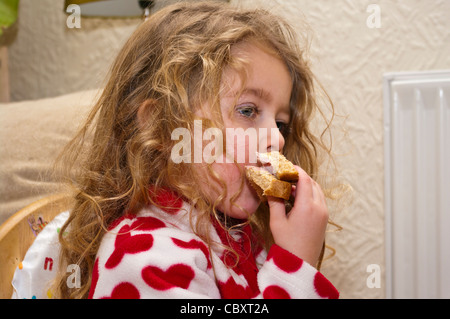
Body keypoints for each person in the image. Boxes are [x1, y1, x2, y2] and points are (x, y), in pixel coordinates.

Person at [52, 1, 341, 299]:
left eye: (281, 124)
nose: (277, 140)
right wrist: (295, 270)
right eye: (248, 110)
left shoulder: (238, 239)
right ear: (161, 128)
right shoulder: (143, 255)